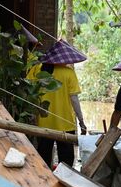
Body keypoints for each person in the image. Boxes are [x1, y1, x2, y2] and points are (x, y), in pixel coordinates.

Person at [29, 39, 88, 168]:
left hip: (44, 123)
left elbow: (30, 93)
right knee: (66, 162)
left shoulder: (38, 69)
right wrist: (81, 121)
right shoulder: (68, 73)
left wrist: (32, 115)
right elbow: (74, 99)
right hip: (65, 124)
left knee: (43, 159)